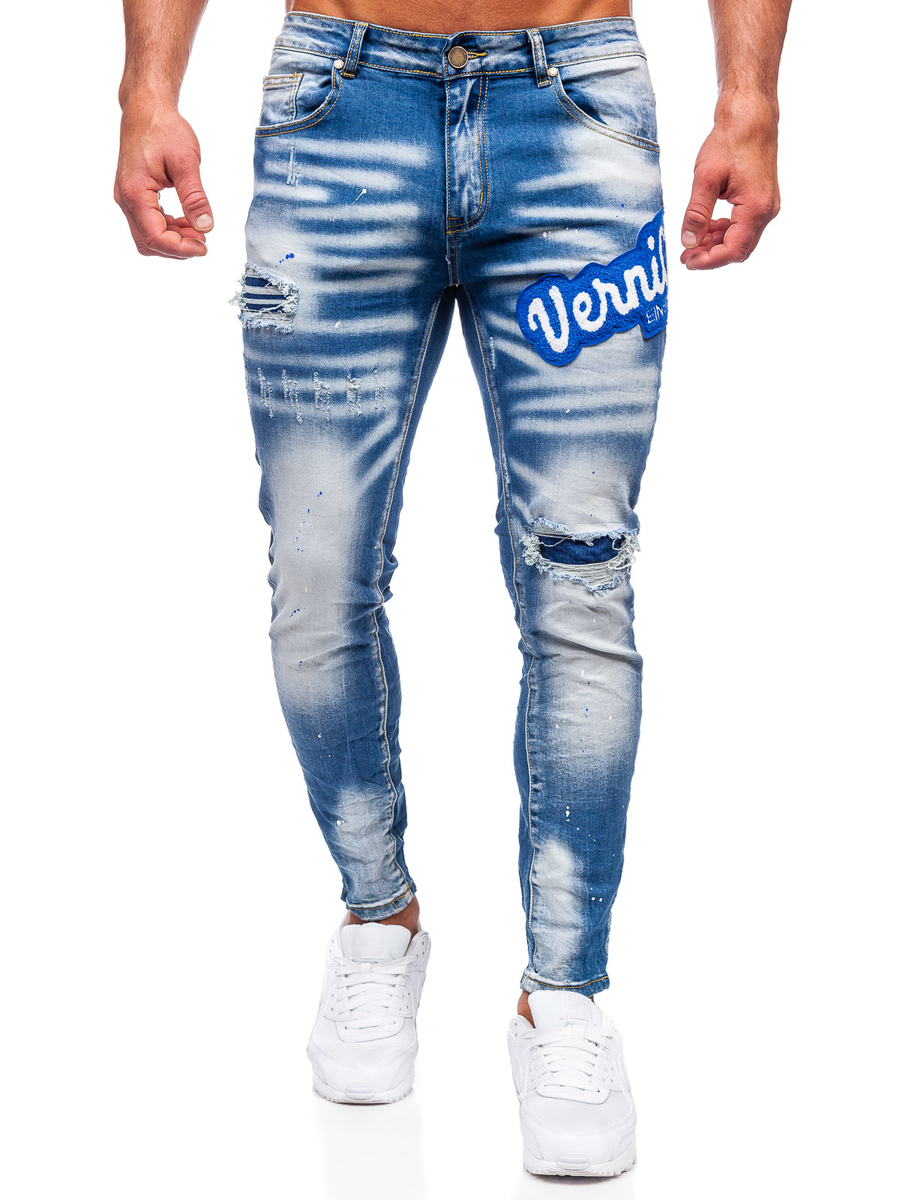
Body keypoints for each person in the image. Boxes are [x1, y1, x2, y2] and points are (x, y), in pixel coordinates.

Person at [115, 0, 791, 1177]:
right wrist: (146, 86)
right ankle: (378, 919)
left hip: (575, 114)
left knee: (580, 574)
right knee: (316, 573)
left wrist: (751, 97)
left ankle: (565, 995)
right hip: (337, 110)